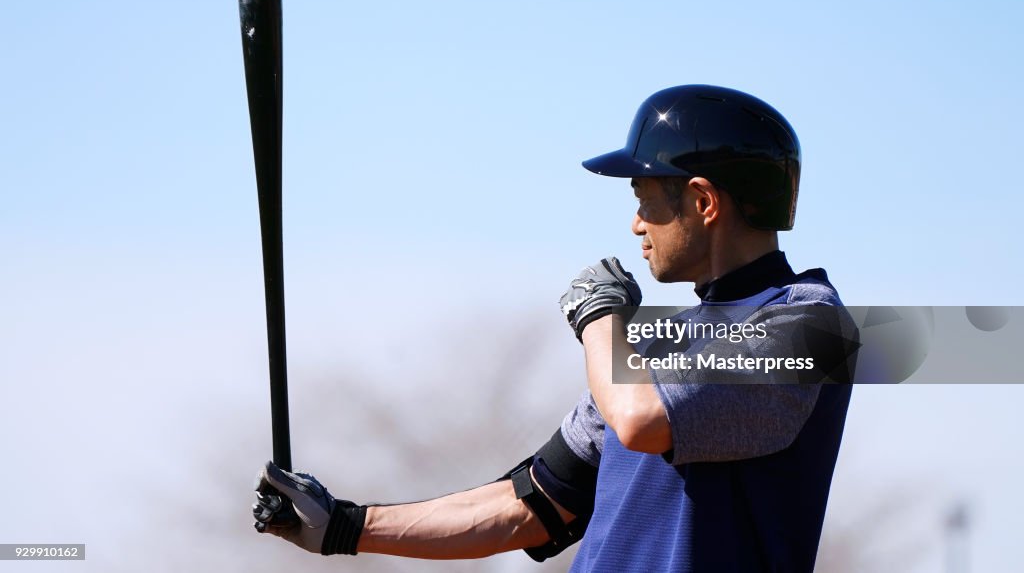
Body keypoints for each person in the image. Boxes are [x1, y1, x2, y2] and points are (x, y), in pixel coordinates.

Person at [251, 84, 854, 571]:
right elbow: (528, 505)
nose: (637, 225)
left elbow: (643, 420)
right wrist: (344, 527)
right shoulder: (650, 349)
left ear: (702, 201)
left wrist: (597, 318)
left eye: (645, 200)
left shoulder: (810, 325)